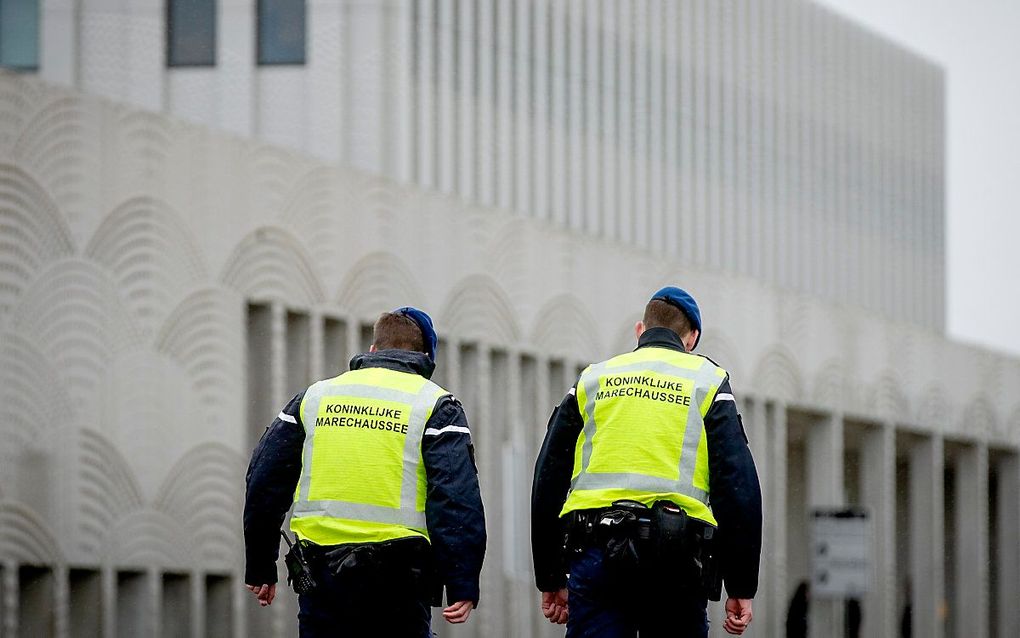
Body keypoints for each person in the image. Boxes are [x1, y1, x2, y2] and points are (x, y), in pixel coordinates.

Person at [531, 286, 763, 637]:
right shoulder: (707, 382)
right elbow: (738, 486)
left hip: (596, 554)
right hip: (677, 562)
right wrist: (741, 585)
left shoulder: (594, 378)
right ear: (692, 338)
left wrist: (550, 575)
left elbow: (548, 475)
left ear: (640, 330)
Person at [243, 307, 486, 637]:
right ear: (426, 357)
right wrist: (462, 580)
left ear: (373, 349)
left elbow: (265, 481)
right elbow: (456, 497)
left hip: (321, 580)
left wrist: (260, 565)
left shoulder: (315, 398)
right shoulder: (435, 404)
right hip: (397, 585)